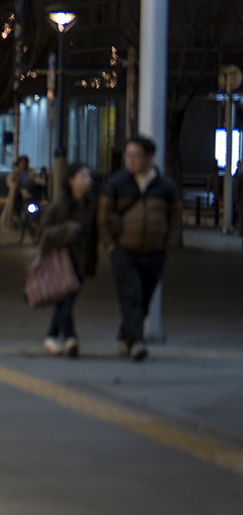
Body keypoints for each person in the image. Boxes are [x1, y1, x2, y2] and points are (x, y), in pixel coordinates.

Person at [99, 134, 179, 362]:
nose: (131, 160)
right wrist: (110, 245)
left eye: (136, 155)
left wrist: (166, 246)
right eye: (128, 155)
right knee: (132, 294)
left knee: (144, 298)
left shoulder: (166, 186)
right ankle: (136, 342)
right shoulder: (117, 183)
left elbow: (174, 219)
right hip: (123, 250)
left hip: (155, 252)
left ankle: (126, 335)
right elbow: (103, 216)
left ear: (150, 157)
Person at [38, 164, 98, 356]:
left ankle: (51, 336)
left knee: (65, 301)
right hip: (62, 260)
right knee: (66, 300)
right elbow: (45, 229)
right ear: (71, 180)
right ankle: (71, 338)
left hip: (82, 261)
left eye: (89, 177)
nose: (88, 181)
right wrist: (67, 231)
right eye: (83, 177)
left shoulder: (92, 204)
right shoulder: (60, 203)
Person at [0, 155, 35, 234]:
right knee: (16, 203)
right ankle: (17, 217)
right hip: (18, 192)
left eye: (25, 163)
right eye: (22, 162)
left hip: (28, 193)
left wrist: (42, 182)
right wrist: (14, 185)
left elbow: (35, 179)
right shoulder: (15, 173)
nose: (24, 164)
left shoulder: (30, 172)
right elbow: (9, 180)